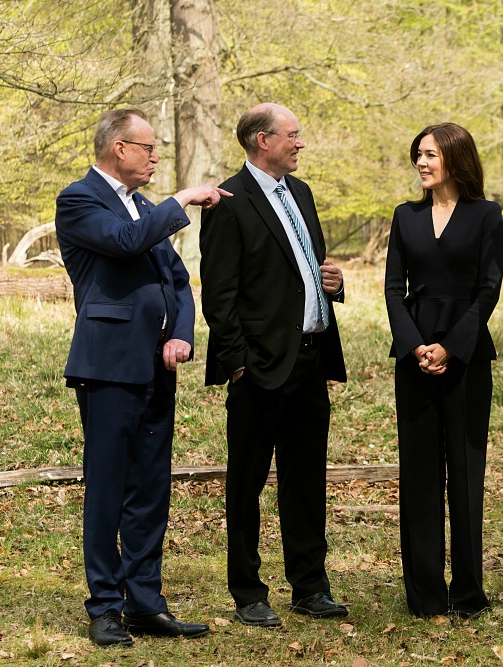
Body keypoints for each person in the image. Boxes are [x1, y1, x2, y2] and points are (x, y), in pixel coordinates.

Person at [55, 108, 231, 647]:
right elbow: (126, 242)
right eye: (148, 148)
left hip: (159, 366)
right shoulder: (80, 200)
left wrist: (181, 333)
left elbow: (177, 281)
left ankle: (145, 603)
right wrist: (181, 199)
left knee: (151, 489)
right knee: (108, 487)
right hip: (108, 365)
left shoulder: (145, 207)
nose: (156, 157)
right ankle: (105, 606)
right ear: (118, 149)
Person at [199, 103, 348, 629]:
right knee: (246, 484)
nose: (299, 143)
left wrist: (335, 285)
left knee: (305, 481)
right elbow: (219, 296)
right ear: (263, 140)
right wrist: (239, 364)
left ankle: (310, 586)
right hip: (259, 370)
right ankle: (247, 592)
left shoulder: (301, 195)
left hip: (310, 361)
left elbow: (309, 271)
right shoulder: (229, 202)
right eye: (292, 135)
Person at [384, 123, 503, 618]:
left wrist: (451, 348)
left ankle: (469, 594)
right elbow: (393, 288)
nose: (421, 163)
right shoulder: (404, 216)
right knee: (419, 477)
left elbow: (488, 289)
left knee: (466, 475)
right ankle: (425, 594)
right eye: (417, 155)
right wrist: (415, 346)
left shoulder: (486, 216)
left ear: (454, 158)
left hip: (467, 357)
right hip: (413, 358)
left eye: (430, 154)